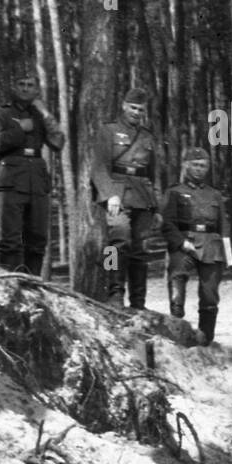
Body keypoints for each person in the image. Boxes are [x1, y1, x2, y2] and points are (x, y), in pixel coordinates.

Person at [0, 71, 64, 275]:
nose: (25, 88)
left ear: (37, 90)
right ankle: (9, 287)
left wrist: (46, 114)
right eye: (21, 83)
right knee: (10, 239)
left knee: (37, 239)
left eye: (30, 85)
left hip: (37, 181)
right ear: (13, 87)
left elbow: (58, 142)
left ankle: (33, 287)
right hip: (10, 180)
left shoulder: (40, 115)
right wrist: (20, 130)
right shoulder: (0, 113)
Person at [91, 89, 159, 309]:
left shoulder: (147, 136)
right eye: (133, 108)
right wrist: (110, 194)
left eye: (141, 109)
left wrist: (156, 207)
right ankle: (114, 293)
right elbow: (99, 167)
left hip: (142, 196)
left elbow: (153, 172)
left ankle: (138, 301)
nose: (136, 113)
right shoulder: (108, 131)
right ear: (124, 106)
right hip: (117, 195)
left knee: (141, 249)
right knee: (116, 244)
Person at [160, 147, 227, 343]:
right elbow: (167, 223)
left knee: (210, 295)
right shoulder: (174, 192)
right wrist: (181, 243)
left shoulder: (214, 194)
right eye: (195, 165)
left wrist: (227, 257)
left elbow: (224, 227)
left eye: (203, 166)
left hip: (211, 246)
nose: (199, 169)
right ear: (186, 166)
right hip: (184, 243)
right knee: (177, 280)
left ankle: (205, 339)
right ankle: (177, 330)